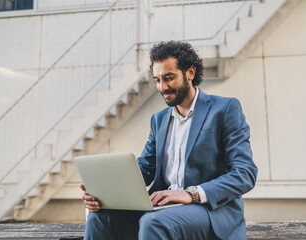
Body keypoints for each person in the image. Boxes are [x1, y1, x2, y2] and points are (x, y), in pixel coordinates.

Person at [80, 41, 258, 240]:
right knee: (99, 218)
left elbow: (245, 173)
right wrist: (104, 191)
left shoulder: (225, 109)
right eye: (157, 80)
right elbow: (146, 168)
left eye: (168, 78)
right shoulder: (159, 120)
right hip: (163, 209)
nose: (162, 87)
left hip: (209, 211)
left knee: (153, 222)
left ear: (190, 72)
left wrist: (191, 194)